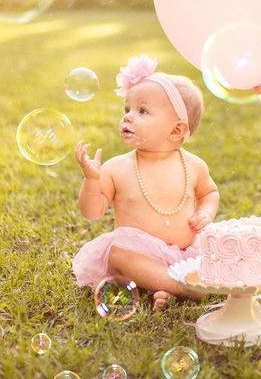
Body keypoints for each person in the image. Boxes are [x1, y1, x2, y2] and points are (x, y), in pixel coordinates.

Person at [72, 54, 219, 309]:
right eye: (127, 109)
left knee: (220, 246)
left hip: (186, 251)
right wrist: (92, 179)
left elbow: (209, 193)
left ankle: (162, 286)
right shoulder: (116, 167)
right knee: (118, 254)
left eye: (142, 111)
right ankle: (182, 287)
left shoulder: (194, 165)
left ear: (176, 130)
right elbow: (91, 211)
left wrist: (206, 213)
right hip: (141, 256)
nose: (128, 116)